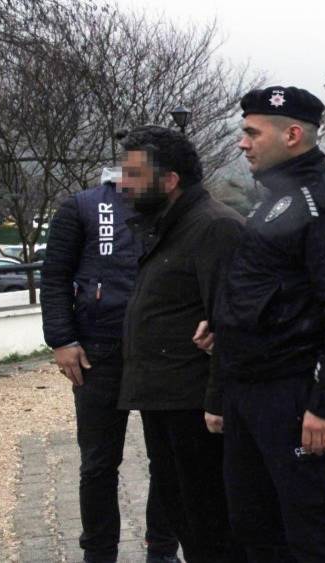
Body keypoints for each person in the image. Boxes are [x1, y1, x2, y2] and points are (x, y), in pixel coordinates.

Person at [210, 86, 325, 562]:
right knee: (256, 527)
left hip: (294, 393)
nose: (242, 143)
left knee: (318, 534)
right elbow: (265, 287)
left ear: (291, 135)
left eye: (252, 133)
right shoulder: (274, 201)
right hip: (250, 389)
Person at [116, 126, 245, 562]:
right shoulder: (168, 227)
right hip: (164, 401)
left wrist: (217, 400)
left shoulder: (214, 227)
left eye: (134, 174)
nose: (123, 183)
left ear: (170, 180)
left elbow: (230, 325)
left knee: (211, 525)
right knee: (184, 517)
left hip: (197, 409)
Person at [41, 167, 178, 563]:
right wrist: (62, 340)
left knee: (168, 461)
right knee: (98, 464)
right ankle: (99, 553)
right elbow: (54, 276)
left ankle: (162, 550)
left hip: (163, 352)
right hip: (98, 352)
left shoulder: (175, 203)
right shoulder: (83, 206)